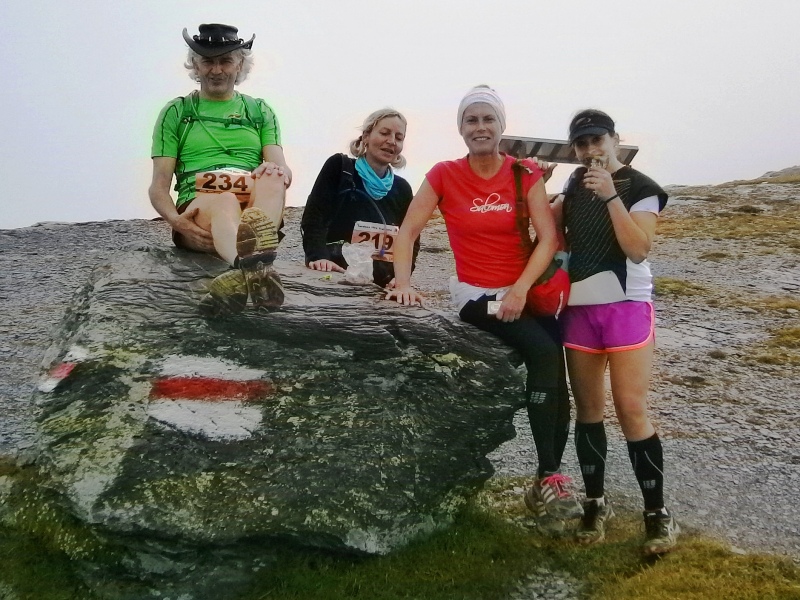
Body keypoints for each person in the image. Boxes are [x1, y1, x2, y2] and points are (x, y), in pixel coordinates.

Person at [387, 85, 581, 521]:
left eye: (488, 119)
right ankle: (549, 475)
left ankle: (549, 479)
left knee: (558, 368)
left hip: (524, 292)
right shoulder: (444, 174)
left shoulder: (524, 173)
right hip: (476, 298)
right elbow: (408, 231)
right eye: (471, 120)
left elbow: (548, 238)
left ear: (501, 126)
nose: (480, 127)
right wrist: (403, 283)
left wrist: (520, 289)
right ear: (461, 128)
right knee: (543, 351)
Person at [552, 109, 679, 555]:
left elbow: (638, 249)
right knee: (588, 409)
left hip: (626, 305)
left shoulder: (641, 186)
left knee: (630, 407)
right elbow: (557, 238)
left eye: (598, 140)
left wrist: (610, 195)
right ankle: (594, 504)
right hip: (580, 307)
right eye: (582, 143)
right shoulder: (573, 183)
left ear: (615, 140)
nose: (591, 150)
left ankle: (657, 513)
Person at [149, 24, 291, 316]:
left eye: (225, 61)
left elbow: (282, 167)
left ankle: (246, 269)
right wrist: (177, 222)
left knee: (273, 177)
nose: (216, 70)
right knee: (224, 200)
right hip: (201, 210)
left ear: (239, 65)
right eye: (208, 61)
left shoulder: (259, 111)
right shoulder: (178, 112)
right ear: (195, 65)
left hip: (252, 210)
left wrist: (278, 171)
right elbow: (158, 187)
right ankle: (253, 269)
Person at [301, 109, 419, 288]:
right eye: (384, 133)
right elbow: (314, 217)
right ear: (366, 136)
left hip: (382, 283)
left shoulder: (403, 188)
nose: (391, 141)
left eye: (399, 137)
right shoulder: (339, 167)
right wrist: (318, 257)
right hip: (336, 271)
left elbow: (411, 237)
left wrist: (401, 277)